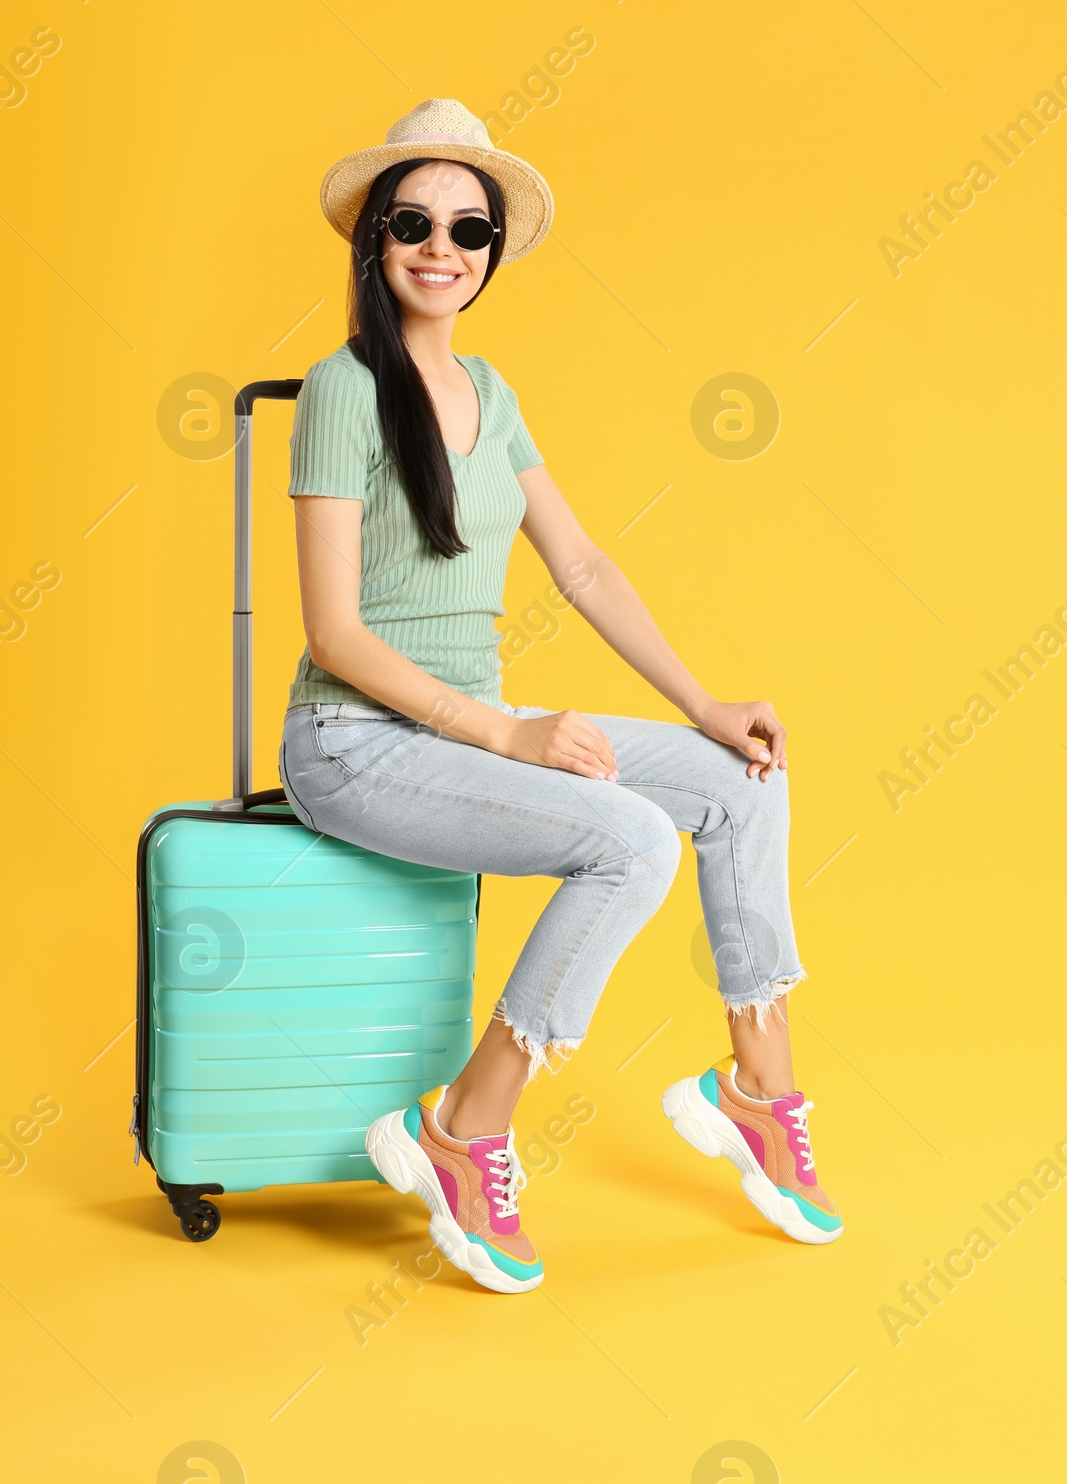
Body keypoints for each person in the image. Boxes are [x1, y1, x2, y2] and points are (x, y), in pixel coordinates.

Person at [277, 99, 841, 1295]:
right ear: (374, 239)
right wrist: (510, 732)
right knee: (631, 840)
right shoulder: (343, 388)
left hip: (466, 739)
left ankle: (757, 1085)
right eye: (414, 221)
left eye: (468, 228)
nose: (443, 246)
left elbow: (579, 565)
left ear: (489, 254)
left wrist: (702, 706)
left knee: (739, 783)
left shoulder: (493, 388)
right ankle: (466, 1128)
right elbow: (332, 632)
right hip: (355, 742)